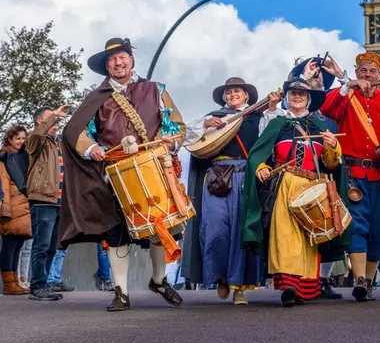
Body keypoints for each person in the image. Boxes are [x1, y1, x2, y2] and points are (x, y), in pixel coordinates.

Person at [59, 37, 186, 311]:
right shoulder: (96, 98)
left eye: (122, 57)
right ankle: (121, 293)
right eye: (112, 59)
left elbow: (176, 126)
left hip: (151, 170)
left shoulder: (156, 90)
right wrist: (91, 147)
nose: (118, 62)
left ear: (131, 60)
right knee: (116, 233)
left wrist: (171, 143)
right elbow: (76, 131)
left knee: (157, 225)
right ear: (107, 66)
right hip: (113, 173)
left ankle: (160, 280)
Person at [241, 77, 350, 307]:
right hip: (285, 185)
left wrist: (332, 146)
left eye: (302, 93)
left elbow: (331, 164)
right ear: (287, 98)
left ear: (309, 99)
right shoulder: (277, 125)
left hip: (313, 186)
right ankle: (289, 287)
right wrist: (261, 168)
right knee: (285, 236)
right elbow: (260, 154)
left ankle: (306, 288)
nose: (297, 96)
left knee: (309, 238)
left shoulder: (321, 128)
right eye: (293, 93)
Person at [317, 52, 380, 302]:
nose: (368, 76)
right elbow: (327, 107)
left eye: (372, 72)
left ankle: (370, 281)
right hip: (353, 174)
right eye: (363, 71)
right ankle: (360, 279)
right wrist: (348, 84)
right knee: (357, 226)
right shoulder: (347, 97)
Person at [182, 77, 266, 305]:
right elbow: (186, 136)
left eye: (237, 91)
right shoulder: (213, 117)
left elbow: (269, 139)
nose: (233, 94)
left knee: (242, 231)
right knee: (215, 228)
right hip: (216, 179)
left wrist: (275, 106)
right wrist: (204, 126)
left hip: (244, 178)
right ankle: (221, 277)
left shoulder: (257, 117)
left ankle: (240, 288)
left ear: (247, 95)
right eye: (229, 91)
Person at [26, 105, 71, 301]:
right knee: (41, 246)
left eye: (57, 120)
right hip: (43, 199)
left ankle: (44, 284)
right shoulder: (35, 140)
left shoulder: (58, 144)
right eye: (51, 119)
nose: (56, 122)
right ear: (40, 121)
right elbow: (38, 135)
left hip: (58, 201)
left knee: (53, 247)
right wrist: (53, 117)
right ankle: (37, 285)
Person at [0, 125, 31, 295]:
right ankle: (8, 284)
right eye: (18, 138)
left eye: (23, 138)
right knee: (9, 245)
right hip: (11, 206)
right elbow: (3, 184)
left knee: (18, 244)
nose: (21, 141)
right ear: (10, 138)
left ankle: (15, 281)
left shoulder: (21, 156)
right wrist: (5, 209)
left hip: (22, 206)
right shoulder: (4, 157)